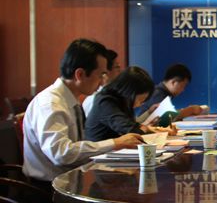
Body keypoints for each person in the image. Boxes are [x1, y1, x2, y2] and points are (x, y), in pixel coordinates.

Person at [22, 39, 144, 186]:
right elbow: (61, 154)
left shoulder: (70, 100)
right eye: (100, 75)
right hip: (48, 189)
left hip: (71, 181)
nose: (102, 82)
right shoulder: (50, 104)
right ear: (80, 74)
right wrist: (115, 143)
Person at [85, 66, 175, 141]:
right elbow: (131, 130)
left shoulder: (123, 100)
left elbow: (134, 125)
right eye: (140, 100)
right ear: (130, 92)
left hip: (117, 151)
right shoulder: (105, 101)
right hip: (100, 155)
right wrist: (148, 129)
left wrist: (150, 129)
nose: (140, 104)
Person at [137, 63, 204, 124]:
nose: (183, 90)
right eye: (183, 86)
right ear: (174, 82)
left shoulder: (164, 92)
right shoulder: (157, 93)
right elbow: (166, 118)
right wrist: (191, 110)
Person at [82, 48, 121, 116]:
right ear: (106, 71)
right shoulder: (94, 100)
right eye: (117, 67)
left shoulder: (115, 95)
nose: (120, 70)